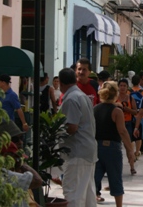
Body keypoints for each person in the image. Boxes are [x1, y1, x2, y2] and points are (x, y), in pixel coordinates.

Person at [58, 67, 97, 207]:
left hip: (77, 152)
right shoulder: (82, 96)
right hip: (87, 150)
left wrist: (56, 130)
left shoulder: (71, 98)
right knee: (87, 194)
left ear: (61, 83)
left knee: (73, 194)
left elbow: (71, 127)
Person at [93, 81, 135, 206]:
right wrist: (130, 150)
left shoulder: (94, 109)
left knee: (94, 178)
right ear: (115, 94)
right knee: (115, 178)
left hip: (96, 147)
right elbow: (122, 131)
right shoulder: (117, 111)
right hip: (112, 148)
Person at [0, 120, 43, 207]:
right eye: (15, 139)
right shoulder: (4, 175)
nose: (20, 142)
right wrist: (21, 162)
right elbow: (37, 181)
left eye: (21, 138)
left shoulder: (16, 173)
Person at [115, 78, 138, 175]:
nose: (122, 87)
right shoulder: (115, 97)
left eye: (124, 86)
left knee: (129, 146)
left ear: (127, 87)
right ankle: (115, 167)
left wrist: (127, 109)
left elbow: (135, 111)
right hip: (116, 123)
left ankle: (132, 166)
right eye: (121, 85)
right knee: (116, 146)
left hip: (127, 123)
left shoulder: (130, 98)